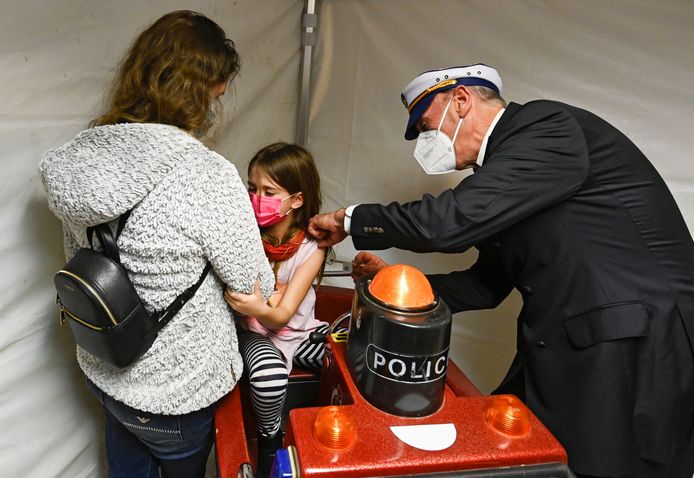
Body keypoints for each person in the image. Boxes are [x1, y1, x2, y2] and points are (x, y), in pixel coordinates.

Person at [308, 63, 694, 478]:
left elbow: (447, 224)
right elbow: (485, 285)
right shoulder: (505, 175)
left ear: (461, 100)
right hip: (569, 345)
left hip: (632, 346)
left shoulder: (546, 128)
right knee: (510, 455)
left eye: (425, 125)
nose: (424, 141)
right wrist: (400, 289)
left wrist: (350, 220)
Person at [39, 11, 274, 478]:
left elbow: (84, 257)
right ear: (194, 93)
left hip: (105, 368)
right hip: (176, 393)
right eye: (215, 95)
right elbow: (255, 286)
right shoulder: (206, 174)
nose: (215, 107)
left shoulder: (81, 159)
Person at [224, 142, 329, 478]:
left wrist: (262, 302)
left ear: (297, 199)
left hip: (300, 330)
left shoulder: (312, 248)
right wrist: (264, 303)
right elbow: (268, 311)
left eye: (269, 191)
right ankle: (270, 440)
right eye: (252, 188)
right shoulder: (242, 236)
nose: (256, 197)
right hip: (254, 333)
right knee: (268, 376)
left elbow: (284, 314)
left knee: (350, 352)